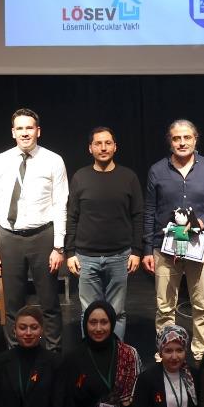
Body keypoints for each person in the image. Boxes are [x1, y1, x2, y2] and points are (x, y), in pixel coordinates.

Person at [0, 108, 70, 349]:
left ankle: (53, 353)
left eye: (29, 128)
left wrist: (58, 246)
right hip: (8, 237)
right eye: (20, 128)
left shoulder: (53, 160)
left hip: (43, 237)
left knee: (49, 302)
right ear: (13, 132)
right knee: (13, 303)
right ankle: (15, 352)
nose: (24, 133)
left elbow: (60, 204)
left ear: (38, 131)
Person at [143, 119, 204, 356]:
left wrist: (200, 222)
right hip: (164, 247)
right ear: (170, 142)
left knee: (201, 304)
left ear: (195, 139)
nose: (182, 143)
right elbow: (150, 210)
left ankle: (201, 353)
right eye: (176, 138)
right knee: (165, 306)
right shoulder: (157, 170)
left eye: (187, 137)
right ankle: (167, 351)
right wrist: (147, 248)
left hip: (198, 245)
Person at [64, 127, 143, 341]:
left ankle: (116, 354)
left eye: (108, 143)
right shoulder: (80, 177)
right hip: (85, 257)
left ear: (115, 147)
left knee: (117, 312)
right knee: (89, 313)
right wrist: (70, 252)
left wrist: (137, 251)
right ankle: (90, 355)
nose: (103, 147)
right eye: (98, 143)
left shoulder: (128, 177)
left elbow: (138, 215)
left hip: (120, 256)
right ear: (90, 148)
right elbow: (72, 216)